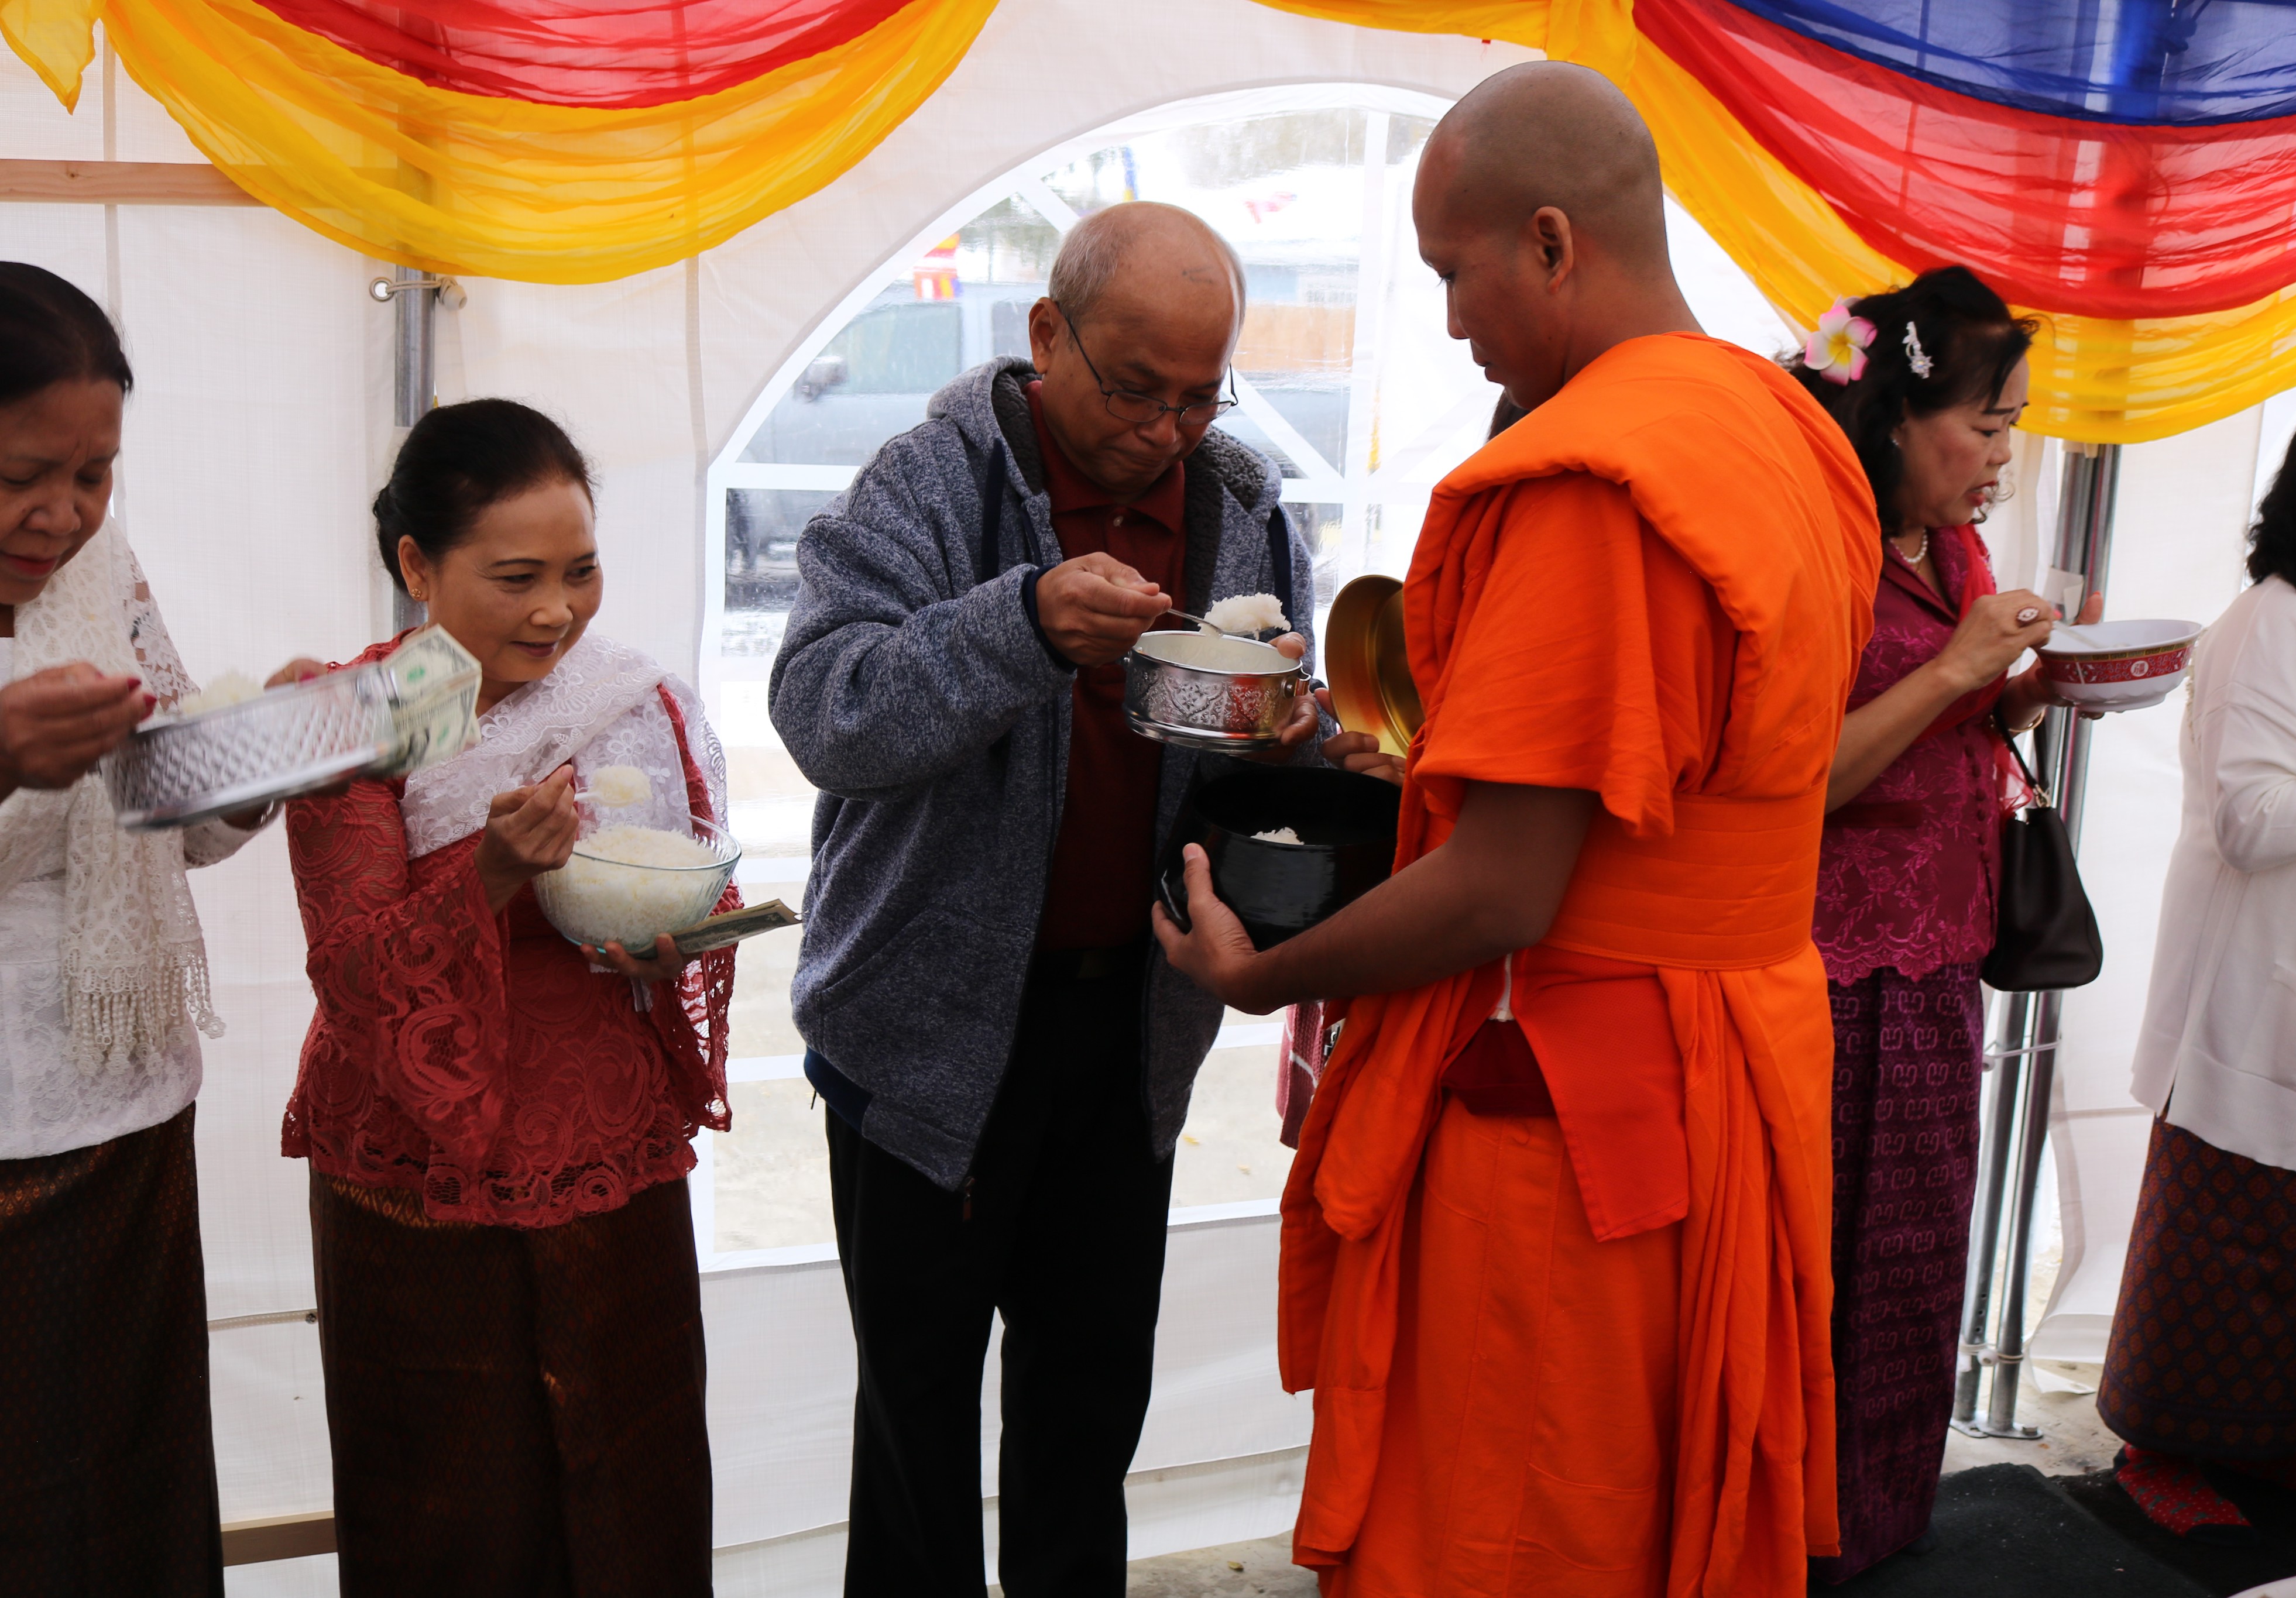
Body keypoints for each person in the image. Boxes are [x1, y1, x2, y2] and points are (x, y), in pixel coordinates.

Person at [1159, 63, 1880, 1595]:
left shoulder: (1594, 483)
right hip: (1728, 1065)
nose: (1449, 323)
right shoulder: (1784, 428)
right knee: (1648, 1492)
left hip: (1567, 1103)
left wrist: (1263, 976)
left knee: (1516, 1520)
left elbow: (1505, 888)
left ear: (1550, 242)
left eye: (1451, 273)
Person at [770, 200, 1319, 1595]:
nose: (1164, 432)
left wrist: (1297, 736)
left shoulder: (1239, 504)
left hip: (1127, 1035)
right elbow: (824, 709)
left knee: (1087, 1410)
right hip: (921, 1033)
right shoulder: (932, 480)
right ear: (1047, 335)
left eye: (1198, 395)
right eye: (1134, 389)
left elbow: (1256, 733)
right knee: (916, 1426)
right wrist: (1017, 624)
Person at [280, 398, 737, 1594]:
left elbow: (681, 873)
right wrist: (489, 871)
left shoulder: (624, 696)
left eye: (581, 571)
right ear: (417, 566)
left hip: (607, 1141)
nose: (556, 612)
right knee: (450, 1499)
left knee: (634, 1469)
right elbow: (355, 970)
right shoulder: (350, 717)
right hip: (419, 1162)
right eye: (516, 577)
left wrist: (672, 945)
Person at [1785, 265, 2091, 1579]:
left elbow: (1948, 717)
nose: (2004, 455)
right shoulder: (1819, 547)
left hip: (1940, 957)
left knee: (1913, 1262)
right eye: (1986, 423)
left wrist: (2022, 693)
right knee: (1811, 1265)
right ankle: (1784, 1531)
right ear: (1897, 417)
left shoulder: (1947, 548)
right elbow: (1795, 783)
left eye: (2013, 425)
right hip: (1827, 966)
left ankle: (1876, 1526)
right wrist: (1964, 665)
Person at [0, 263, 294, 1593]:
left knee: (129, 1478)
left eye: (95, 472)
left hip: (123, 1112)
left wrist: (270, 750)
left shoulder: (101, 566)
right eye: (22, 475)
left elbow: (159, 793)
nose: (62, 513)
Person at [2099, 380, 2296, 1539]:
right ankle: (2157, 1446)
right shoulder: (2274, 624)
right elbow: (2251, 823)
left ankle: (2261, 1442)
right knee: (2232, 1228)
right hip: (2263, 992)